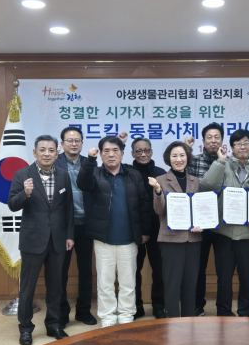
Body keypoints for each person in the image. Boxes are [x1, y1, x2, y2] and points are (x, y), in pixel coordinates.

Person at [201, 129, 249, 317]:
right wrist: (220, 162)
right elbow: (208, 186)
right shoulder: (222, 166)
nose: (242, 147)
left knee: (247, 277)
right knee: (223, 278)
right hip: (223, 233)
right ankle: (223, 311)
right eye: (237, 144)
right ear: (231, 148)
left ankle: (246, 312)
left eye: (246, 143)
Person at [77, 136, 151, 328]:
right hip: (103, 239)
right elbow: (82, 184)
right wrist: (90, 160)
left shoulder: (133, 174)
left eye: (115, 150)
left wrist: (144, 230)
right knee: (105, 282)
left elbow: (143, 202)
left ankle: (126, 316)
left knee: (128, 282)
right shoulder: (94, 173)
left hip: (129, 239)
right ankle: (108, 318)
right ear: (101, 155)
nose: (111, 154)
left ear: (122, 153)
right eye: (106, 151)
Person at [8, 135, 74, 345]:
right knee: (27, 288)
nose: (47, 154)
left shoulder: (63, 175)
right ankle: (25, 329)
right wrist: (25, 194)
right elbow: (12, 204)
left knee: (56, 286)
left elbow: (68, 208)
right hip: (32, 239)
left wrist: (69, 235)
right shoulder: (22, 174)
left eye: (51, 150)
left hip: (58, 240)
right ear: (35, 152)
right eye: (42, 150)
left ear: (57, 153)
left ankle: (53, 325)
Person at [150, 141, 224, 317]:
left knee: (191, 282)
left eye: (182, 155)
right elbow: (159, 210)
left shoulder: (195, 181)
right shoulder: (160, 180)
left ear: (187, 158)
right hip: (170, 239)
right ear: (168, 158)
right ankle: (172, 320)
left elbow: (200, 208)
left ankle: (189, 320)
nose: (178, 159)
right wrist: (158, 191)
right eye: (174, 155)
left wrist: (202, 223)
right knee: (172, 283)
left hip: (193, 239)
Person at [55, 126, 97, 328]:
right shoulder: (54, 163)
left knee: (86, 271)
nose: (74, 143)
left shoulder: (90, 164)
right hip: (63, 226)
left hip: (86, 224)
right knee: (60, 272)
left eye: (77, 140)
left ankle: (83, 311)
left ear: (82, 143)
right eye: (69, 140)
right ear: (62, 143)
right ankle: (62, 313)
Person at [184, 122, 226, 316]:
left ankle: (223, 308)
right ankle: (197, 305)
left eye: (217, 137)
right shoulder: (194, 161)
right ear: (203, 141)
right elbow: (182, 178)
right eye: (209, 137)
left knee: (223, 268)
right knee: (198, 268)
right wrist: (187, 149)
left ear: (222, 140)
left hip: (223, 224)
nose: (213, 140)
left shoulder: (229, 161)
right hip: (199, 223)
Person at [130, 136, 167, 319]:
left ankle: (159, 306)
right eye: (139, 151)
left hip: (158, 230)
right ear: (132, 154)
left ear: (151, 152)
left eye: (146, 150)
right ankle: (136, 306)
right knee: (133, 270)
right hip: (133, 229)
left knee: (159, 270)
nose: (143, 154)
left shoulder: (161, 173)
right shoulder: (127, 172)